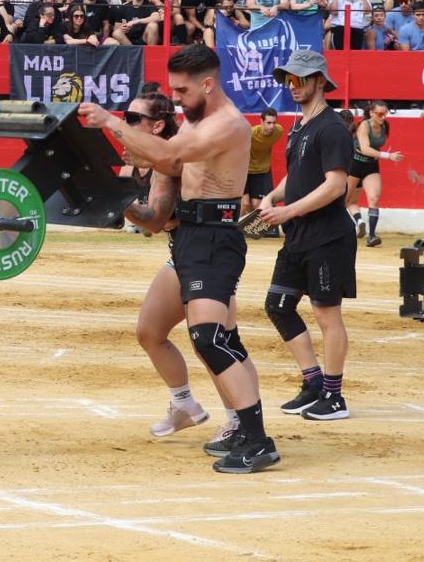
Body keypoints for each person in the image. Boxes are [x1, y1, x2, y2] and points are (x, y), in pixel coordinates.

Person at [80, 44, 277, 473]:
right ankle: (242, 428)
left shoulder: (227, 124)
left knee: (211, 338)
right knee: (206, 336)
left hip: (213, 238)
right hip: (191, 240)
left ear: (208, 84)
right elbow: (164, 182)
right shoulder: (198, 119)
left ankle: (257, 439)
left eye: (182, 91)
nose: (177, 100)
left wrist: (113, 123)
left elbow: (169, 157)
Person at [257, 50, 357, 422]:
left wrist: (287, 211)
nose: (292, 86)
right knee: (278, 305)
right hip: (299, 233)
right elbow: (299, 174)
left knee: (326, 314)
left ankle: (334, 395)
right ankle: (314, 383)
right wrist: (272, 196)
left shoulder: (331, 128)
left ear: (319, 80)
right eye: (289, 79)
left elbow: (335, 186)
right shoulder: (300, 126)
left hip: (327, 235)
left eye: (300, 79)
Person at [121, 89, 222, 440]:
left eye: (134, 119)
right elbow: (154, 226)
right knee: (150, 333)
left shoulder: (169, 158)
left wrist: (114, 196)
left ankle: (242, 419)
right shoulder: (141, 158)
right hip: (183, 252)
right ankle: (183, 405)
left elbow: (152, 221)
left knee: (213, 343)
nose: (126, 124)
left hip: (209, 254)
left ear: (158, 125)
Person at [346, 100, 403, 248]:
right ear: (371, 113)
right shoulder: (364, 125)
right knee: (346, 201)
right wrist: (387, 156)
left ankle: (371, 236)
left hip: (370, 165)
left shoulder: (385, 125)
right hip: (355, 164)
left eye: (385, 113)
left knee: (374, 198)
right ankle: (358, 221)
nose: (383, 117)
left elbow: (372, 149)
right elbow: (365, 149)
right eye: (379, 114)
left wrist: (380, 155)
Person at [244, 107, 284, 222]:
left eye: (274, 123)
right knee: (245, 204)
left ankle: (251, 232)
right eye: (268, 123)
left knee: (257, 206)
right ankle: (235, 232)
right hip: (245, 171)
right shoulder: (250, 134)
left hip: (262, 171)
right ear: (261, 122)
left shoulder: (278, 131)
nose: (272, 126)